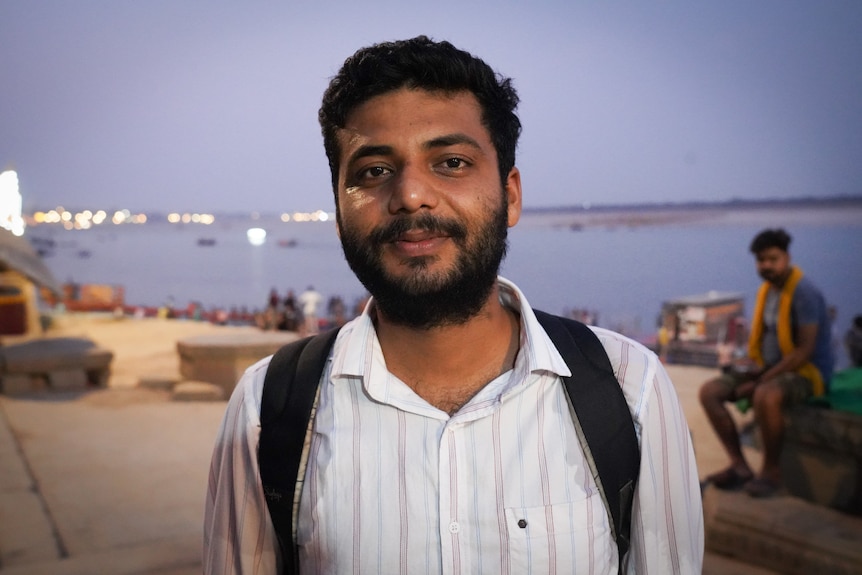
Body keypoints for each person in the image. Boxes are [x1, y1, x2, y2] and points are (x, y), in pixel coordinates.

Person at [204, 36, 703, 574]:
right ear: (337, 208)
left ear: (510, 195)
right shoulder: (268, 408)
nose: (411, 194)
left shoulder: (629, 389)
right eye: (373, 171)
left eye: (451, 162)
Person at [699, 228, 834, 498]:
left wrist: (760, 380)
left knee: (765, 395)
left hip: (806, 372)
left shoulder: (803, 292)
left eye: (773, 259)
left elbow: (804, 351)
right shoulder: (768, 291)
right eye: (762, 260)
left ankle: (771, 471)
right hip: (767, 366)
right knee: (710, 392)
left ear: (787, 257)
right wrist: (747, 368)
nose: (767, 266)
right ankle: (739, 466)